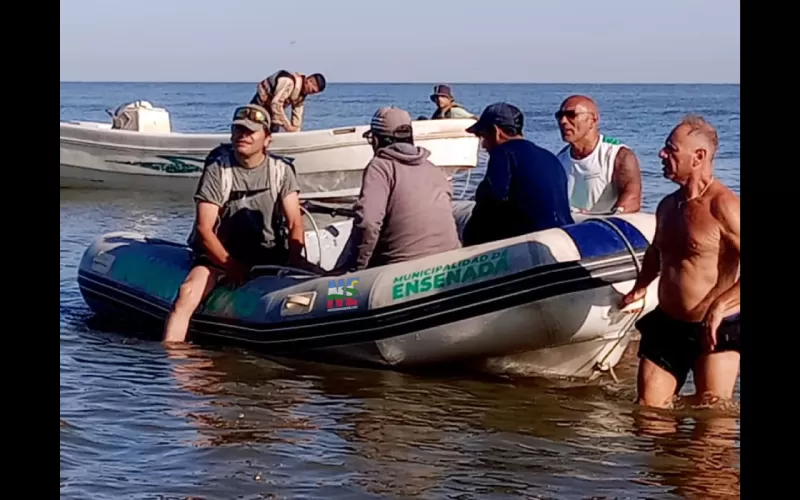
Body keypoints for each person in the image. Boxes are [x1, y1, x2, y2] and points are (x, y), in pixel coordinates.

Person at [163, 104, 318, 344]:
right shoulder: (218, 169)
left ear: (267, 139)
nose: (242, 136)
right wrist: (230, 265)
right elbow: (204, 229)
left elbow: (295, 222)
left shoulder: (281, 171)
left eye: (250, 132)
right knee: (186, 295)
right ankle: (173, 358)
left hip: (269, 252)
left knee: (321, 280)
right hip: (220, 255)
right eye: (238, 130)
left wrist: (295, 261)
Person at [618, 115, 740, 408]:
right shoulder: (668, 205)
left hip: (714, 326)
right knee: (648, 414)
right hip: (667, 323)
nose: (661, 154)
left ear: (698, 156)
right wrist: (640, 287)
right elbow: (657, 252)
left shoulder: (723, 206)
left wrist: (721, 306)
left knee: (711, 423)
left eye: (670, 149)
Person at [334, 106, 461, 271]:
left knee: (337, 293)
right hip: (449, 265)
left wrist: (358, 267)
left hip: (399, 274)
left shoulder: (380, 167)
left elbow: (368, 222)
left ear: (377, 140)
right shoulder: (433, 168)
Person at [460, 102, 574, 246]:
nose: (483, 145)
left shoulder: (503, 152)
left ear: (496, 132)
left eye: (483, 136)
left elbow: (490, 201)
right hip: (565, 237)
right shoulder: (549, 156)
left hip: (531, 244)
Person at [555, 95, 642, 214]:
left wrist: (609, 216)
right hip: (571, 228)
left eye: (571, 115)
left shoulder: (618, 155)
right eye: (559, 116)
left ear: (593, 120)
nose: (563, 121)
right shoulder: (559, 160)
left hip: (604, 227)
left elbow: (632, 198)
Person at [250, 70, 326, 133]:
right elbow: (276, 104)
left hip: (272, 111)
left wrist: (295, 131)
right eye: (312, 90)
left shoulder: (302, 94)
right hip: (260, 104)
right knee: (255, 128)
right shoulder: (288, 81)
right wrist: (287, 125)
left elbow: (298, 113)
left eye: (314, 93)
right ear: (308, 81)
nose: (311, 93)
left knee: (273, 131)